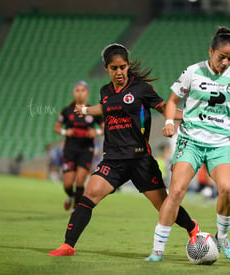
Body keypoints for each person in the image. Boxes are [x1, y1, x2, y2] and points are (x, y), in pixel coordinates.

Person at [48, 43, 199, 256]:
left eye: (122, 67)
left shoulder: (142, 88)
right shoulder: (105, 91)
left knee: (164, 206)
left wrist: (190, 117)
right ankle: (68, 245)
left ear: (128, 66)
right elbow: (107, 106)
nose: (119, 72)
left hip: (140, 160)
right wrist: (86, 110)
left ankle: (193, 228)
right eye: (114, 68)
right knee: (89, 194)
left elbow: (165, 108)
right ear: (107, 69)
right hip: (113, 160)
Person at [145, 26, 230, 262]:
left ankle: (223, 238)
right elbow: (172, 101)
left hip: (221, 144)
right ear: (211, 52)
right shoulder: (193, 72)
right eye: (222, 57)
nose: (226, 62)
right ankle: (158, 249)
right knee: (177, 190)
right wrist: (169, 121)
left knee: (228, 190)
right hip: (190, 140)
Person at [54, 81, 104, 211]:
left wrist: (96, 132)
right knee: (68, 184)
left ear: (87, 93)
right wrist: (66, 131)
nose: (80, 93)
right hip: (70, 149)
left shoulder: (92, 111)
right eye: (77, 90)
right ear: (73, 93)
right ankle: (71, 196)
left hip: (86, 149)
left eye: (83, 90)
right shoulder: (67, 111)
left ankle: (76, 209)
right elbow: (57, 128)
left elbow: (106, 128)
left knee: (80, 180)